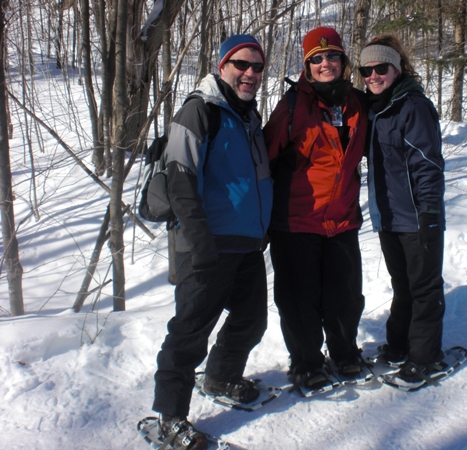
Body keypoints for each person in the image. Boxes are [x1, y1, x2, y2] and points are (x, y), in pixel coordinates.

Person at [151, 34, 272, 449]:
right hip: (205, 245)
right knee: (188, 334)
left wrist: (263, 228)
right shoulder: (198, 111)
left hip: (246, 243)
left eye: (257, 67)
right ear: (222, 66)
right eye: (242, 64)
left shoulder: (249, 117)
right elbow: (180, 180)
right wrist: (199, 243)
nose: (250, 73)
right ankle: (169, 418)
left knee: (252, 320)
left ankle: (220, 376)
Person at [263, 27, 368, 391]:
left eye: (333, 56)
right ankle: (307, 362)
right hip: (295, 222)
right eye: (317, 59)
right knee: (299, 300)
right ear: (307, 66)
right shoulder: (291, 107)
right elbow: (262, 157)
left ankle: (344, 353)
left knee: (345, 296)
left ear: (344, 61)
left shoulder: (358, 104)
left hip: (342, 220)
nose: (326, 63)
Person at [359, 35, 446, 387]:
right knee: (403, 285)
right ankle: (399, 344)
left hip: (417, 217)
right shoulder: (375, 108)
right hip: (388, 216)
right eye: (367, 70)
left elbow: (427, 162)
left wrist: (429, 213)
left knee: (424, 287)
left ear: (397, 69)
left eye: (382, 68)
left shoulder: (412, 106)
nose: (374, 75)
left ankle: (426, 358)